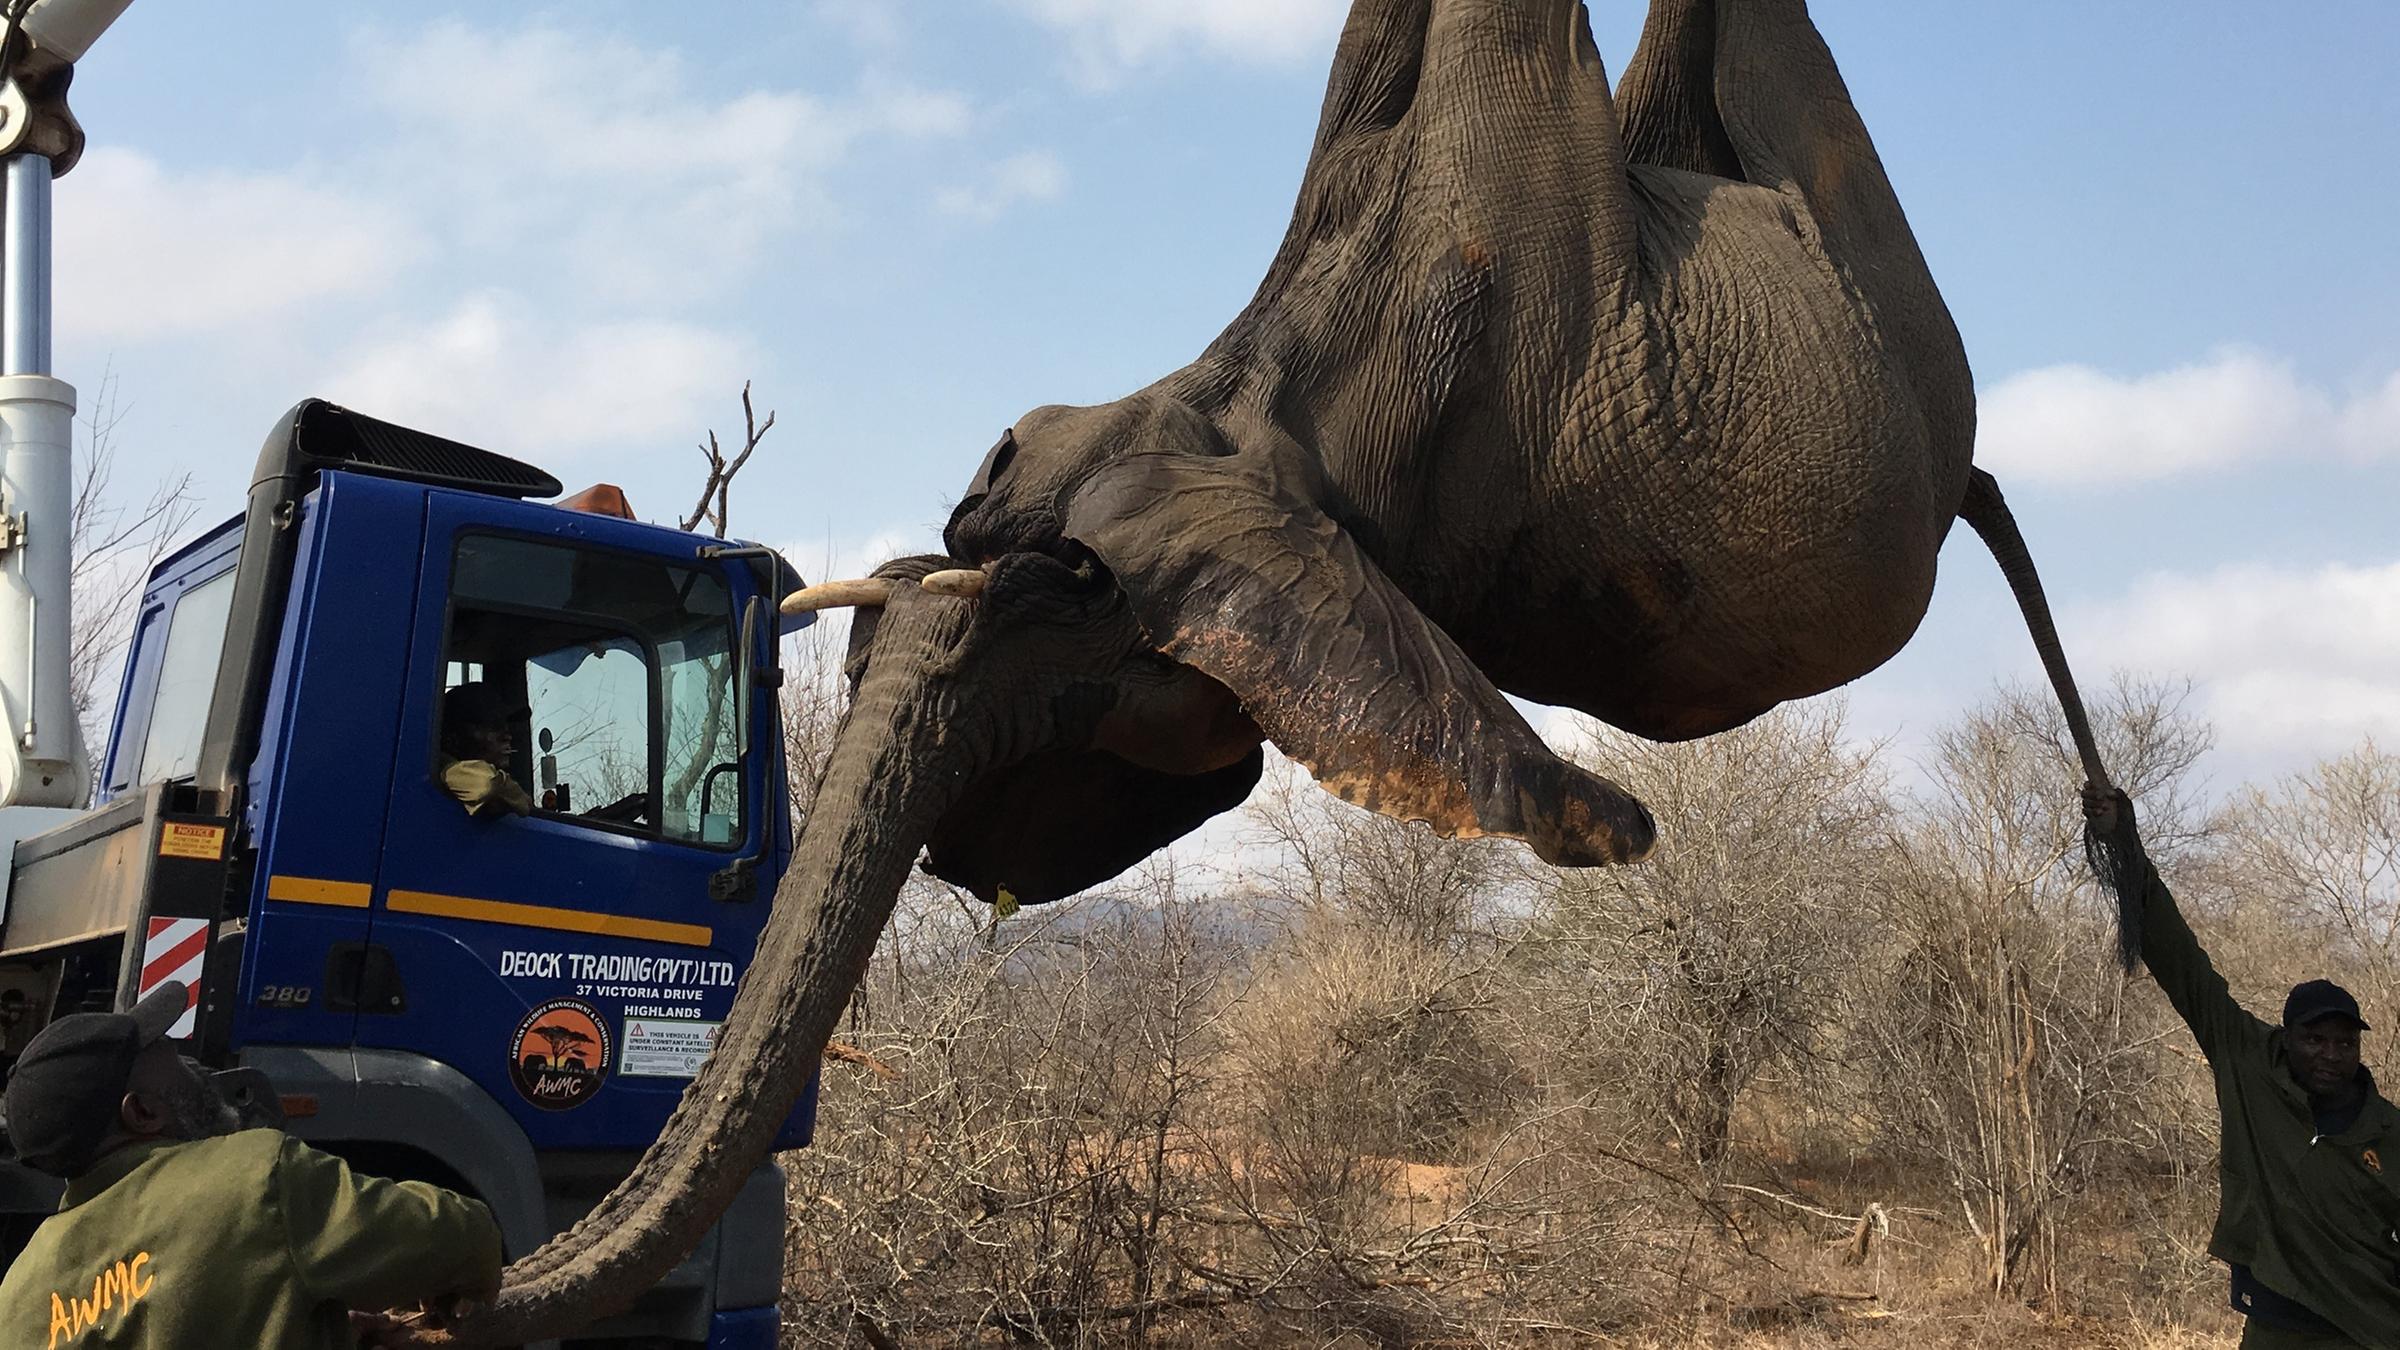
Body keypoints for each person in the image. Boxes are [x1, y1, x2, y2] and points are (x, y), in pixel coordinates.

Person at [0, 982, 504, 1347]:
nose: (188, 1060)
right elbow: (462, 1240)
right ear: (142, 1112)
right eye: (164, 1051)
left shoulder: (16, 1298)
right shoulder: (254, 1176)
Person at [2085, 785, 2400, 1349]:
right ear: (2288, 1039)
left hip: (2367, 1330)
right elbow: (2180, 958)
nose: (2332, 1055)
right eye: (2315, 1039)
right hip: (2275, 1326)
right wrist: (2122, 841)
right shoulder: (2249, 1063)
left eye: (2345, 1042)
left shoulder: (2388, 1130)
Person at [438, 681, 536, 818]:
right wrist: (512, 793)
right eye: (494, 726)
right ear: (453, 739)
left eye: (507, 726)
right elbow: (485, 785)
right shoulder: (444, 770)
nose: (507, 736)